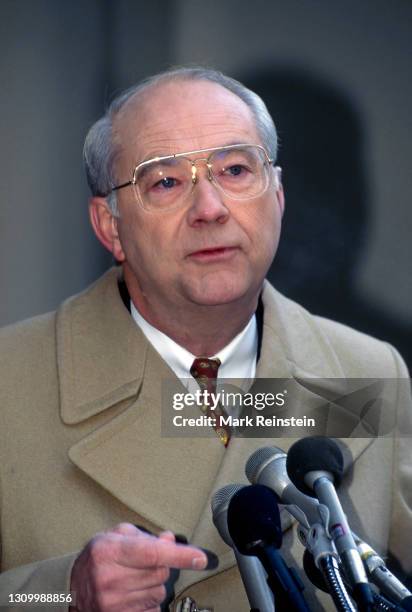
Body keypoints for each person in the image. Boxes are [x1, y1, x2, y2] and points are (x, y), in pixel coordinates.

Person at [0, 67, 411, 612]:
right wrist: (62, 591)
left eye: (236, 169)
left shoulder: (363, 366)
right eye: (166, 182)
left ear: (279, 196)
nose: (211, 209)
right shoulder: (10, 380)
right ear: (110, 227)